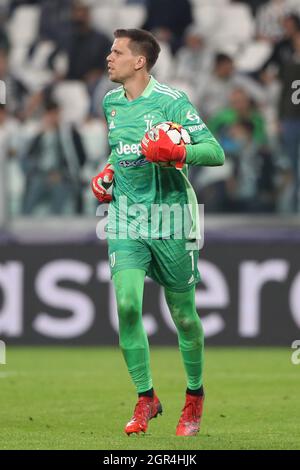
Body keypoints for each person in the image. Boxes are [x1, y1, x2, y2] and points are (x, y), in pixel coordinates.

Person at [91, 29, 225, 437]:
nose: (108, 58)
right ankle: (146, 396)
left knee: (184, 317)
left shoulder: (172, 101)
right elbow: (121, 146)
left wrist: (180, 152)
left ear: (139, 62)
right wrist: (109, 170)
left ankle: (194, 397)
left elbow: (215, 152)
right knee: (128, 307)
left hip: (172, 219)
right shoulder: (110, 103)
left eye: (117, 52)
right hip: (126, 219)